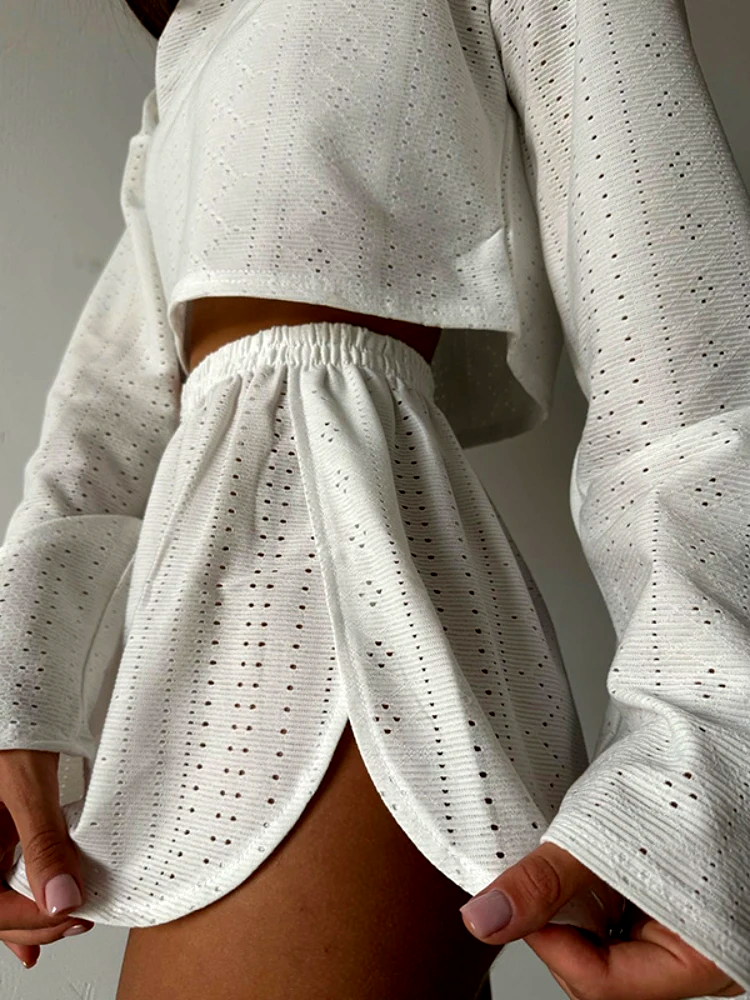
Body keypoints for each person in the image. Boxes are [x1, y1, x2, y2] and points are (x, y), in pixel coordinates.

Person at [0, 1, 747, 998]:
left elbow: (683, 352)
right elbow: (103, 429)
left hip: (358, 601)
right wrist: (20, 700)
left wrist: (703, 766)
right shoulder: (188, 60)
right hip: (187, 631)